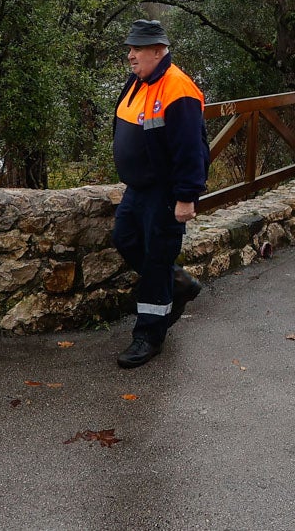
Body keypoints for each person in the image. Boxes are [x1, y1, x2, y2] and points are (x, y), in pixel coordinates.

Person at [111, 19, 211, 368]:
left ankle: (149, 336)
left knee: (156, 260)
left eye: (137, 49)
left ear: (158, 51)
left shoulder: (177, 89)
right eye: (130, 48)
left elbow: (190, 150)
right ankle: (179, 283)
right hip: (138, 188)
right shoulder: (139, 80)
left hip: (165, 193)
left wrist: (187, 197)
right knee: (123, 238)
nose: (130, 55)